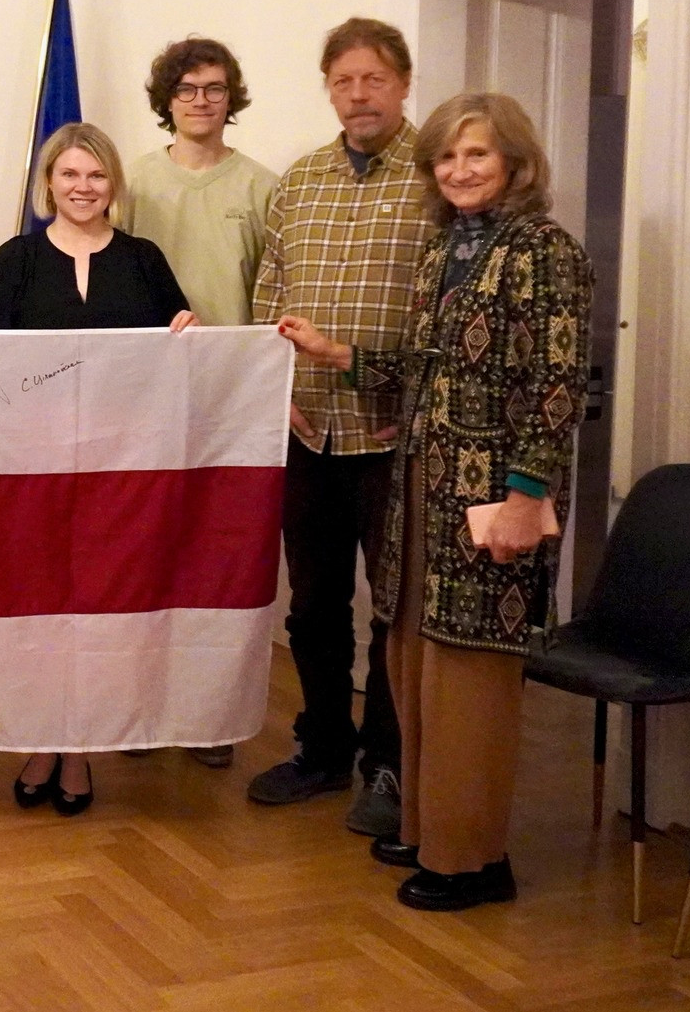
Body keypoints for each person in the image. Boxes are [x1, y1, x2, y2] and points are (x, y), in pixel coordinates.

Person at [279, 92, 591, 910]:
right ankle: (427, 829)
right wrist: (334, 351)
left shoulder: (543, 249)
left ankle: (474, 858)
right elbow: (421, 366)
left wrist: (526, 496)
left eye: (476, 153)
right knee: (414, 660)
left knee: (470, 681)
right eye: (447, 156)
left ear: (514, 162)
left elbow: (557, 387)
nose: (459, 169)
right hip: (421, 487)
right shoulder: (445, 247)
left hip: (493, 498)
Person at [246, 17, 432, 840]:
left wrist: (384, 378)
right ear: (328, 89)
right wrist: (275, 383)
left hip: (393, 435)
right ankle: (322, 746)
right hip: (307, 429)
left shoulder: (436, 177)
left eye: (374, 79)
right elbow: (269, 286)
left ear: (403, 84)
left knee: (394, 610)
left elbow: (439, 316)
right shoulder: (300, 180)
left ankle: (389, 764)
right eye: (343, 81)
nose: (359, 95)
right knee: (314, 604)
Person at [0, 122, 198, 817]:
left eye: (96, 174)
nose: (83, 187)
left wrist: (190, 335)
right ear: (48, 183)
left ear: (113, 184)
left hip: (120, 474)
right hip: (33, 472)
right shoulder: (14, 258)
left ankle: (81, 748)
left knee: (103, 609)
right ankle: (43, 738)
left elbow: (182, 348)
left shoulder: (143, 259)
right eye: (70, 174)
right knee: (43, 610)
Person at [122, 36, 279, 770]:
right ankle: (138, 707)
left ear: (231, 97)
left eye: (214, 88)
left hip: (229, 401)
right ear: (167, 99)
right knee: (144, 551)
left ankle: (207, 714)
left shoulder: (262, 187)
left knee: (214, 559)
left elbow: (274, 294)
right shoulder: (132, 182)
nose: (201, 100)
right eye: (186, 88)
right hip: (143, 398)